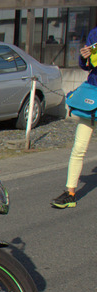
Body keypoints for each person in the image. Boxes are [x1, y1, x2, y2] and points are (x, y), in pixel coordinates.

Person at [51, 25, 97, 209]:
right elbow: (86, 66)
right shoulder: (94, 33)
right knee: (79, 148)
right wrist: (84, 56)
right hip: (93, 96)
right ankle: (70, 193)